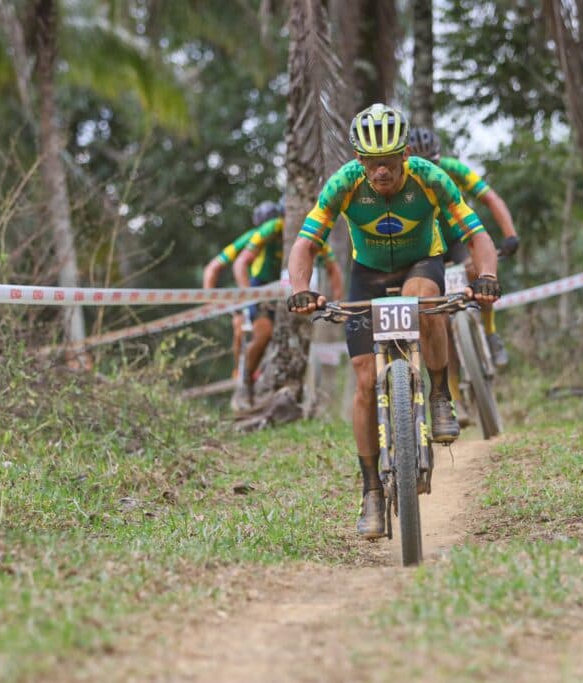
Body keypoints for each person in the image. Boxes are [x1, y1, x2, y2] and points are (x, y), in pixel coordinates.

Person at [286, 103, 501, 539]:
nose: (380, 171)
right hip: (367, 273)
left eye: (388, 161)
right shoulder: (343, 183)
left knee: (423, 302)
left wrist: (488, 276)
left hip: (421, 261)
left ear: (404, 155)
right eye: (371, 162)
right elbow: (306, 243)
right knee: (365, 382)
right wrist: (300, 289)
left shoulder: (431, 178)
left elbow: (475, 233)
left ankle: (439, 395)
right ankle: (371, 491)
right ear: (359, 159)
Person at [406, 127, 519, 366]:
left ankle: (490, 332)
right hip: (425, 246)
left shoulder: (454, 169)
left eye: (433, 164)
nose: (429, 171)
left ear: (439, 158)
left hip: (456, 239)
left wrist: (510, 235)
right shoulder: (402, 180)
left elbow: (490, 198)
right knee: (431, 307)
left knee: (478, 272)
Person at [233, 201, 343, 405]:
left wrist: (337, 301)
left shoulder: (314, 232)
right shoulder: (272, 227)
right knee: (264, 334)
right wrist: (249, 296)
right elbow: (241, 263)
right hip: (263, 288)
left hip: (293, 291)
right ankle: (245, 383)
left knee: (298, 333)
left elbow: (333, 268)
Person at [200, 200, 278, 379]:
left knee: (268, 334)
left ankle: (250, 371)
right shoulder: (253, 237)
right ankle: (240, 373)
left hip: (275, 293)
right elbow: (213, 267)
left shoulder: (288, 239)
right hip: (251, 291)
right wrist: (208, 300)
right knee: (242, 328)